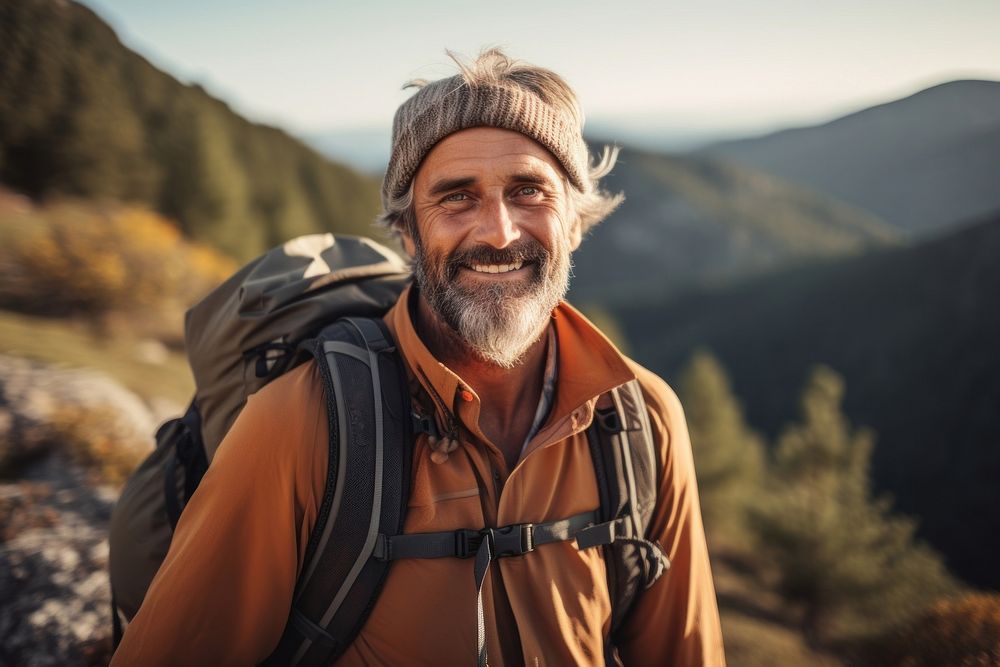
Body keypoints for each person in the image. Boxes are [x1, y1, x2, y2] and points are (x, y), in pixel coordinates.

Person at [112, 48, 725, 666]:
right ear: (407, 233)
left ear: (573, 223)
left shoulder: (639, 417)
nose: (499, 232)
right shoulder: (302, 422)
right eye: (456, 198)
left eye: (529, 191)